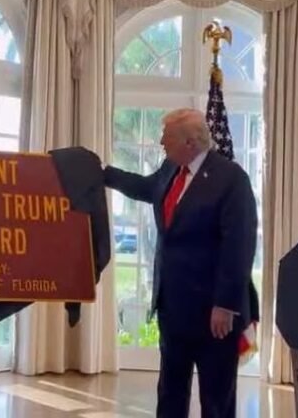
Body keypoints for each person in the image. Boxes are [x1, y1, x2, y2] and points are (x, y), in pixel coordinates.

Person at [104, 108, 257, 418]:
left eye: (167, 136)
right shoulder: (171, 168)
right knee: (171, 390)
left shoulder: (231, 179)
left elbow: (238, 245)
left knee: (216, 397)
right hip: (173, 305)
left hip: (214, 312)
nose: (161, 141)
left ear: (190, 142)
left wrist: (225, 305)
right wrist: (104, 173)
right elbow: (145, 188)